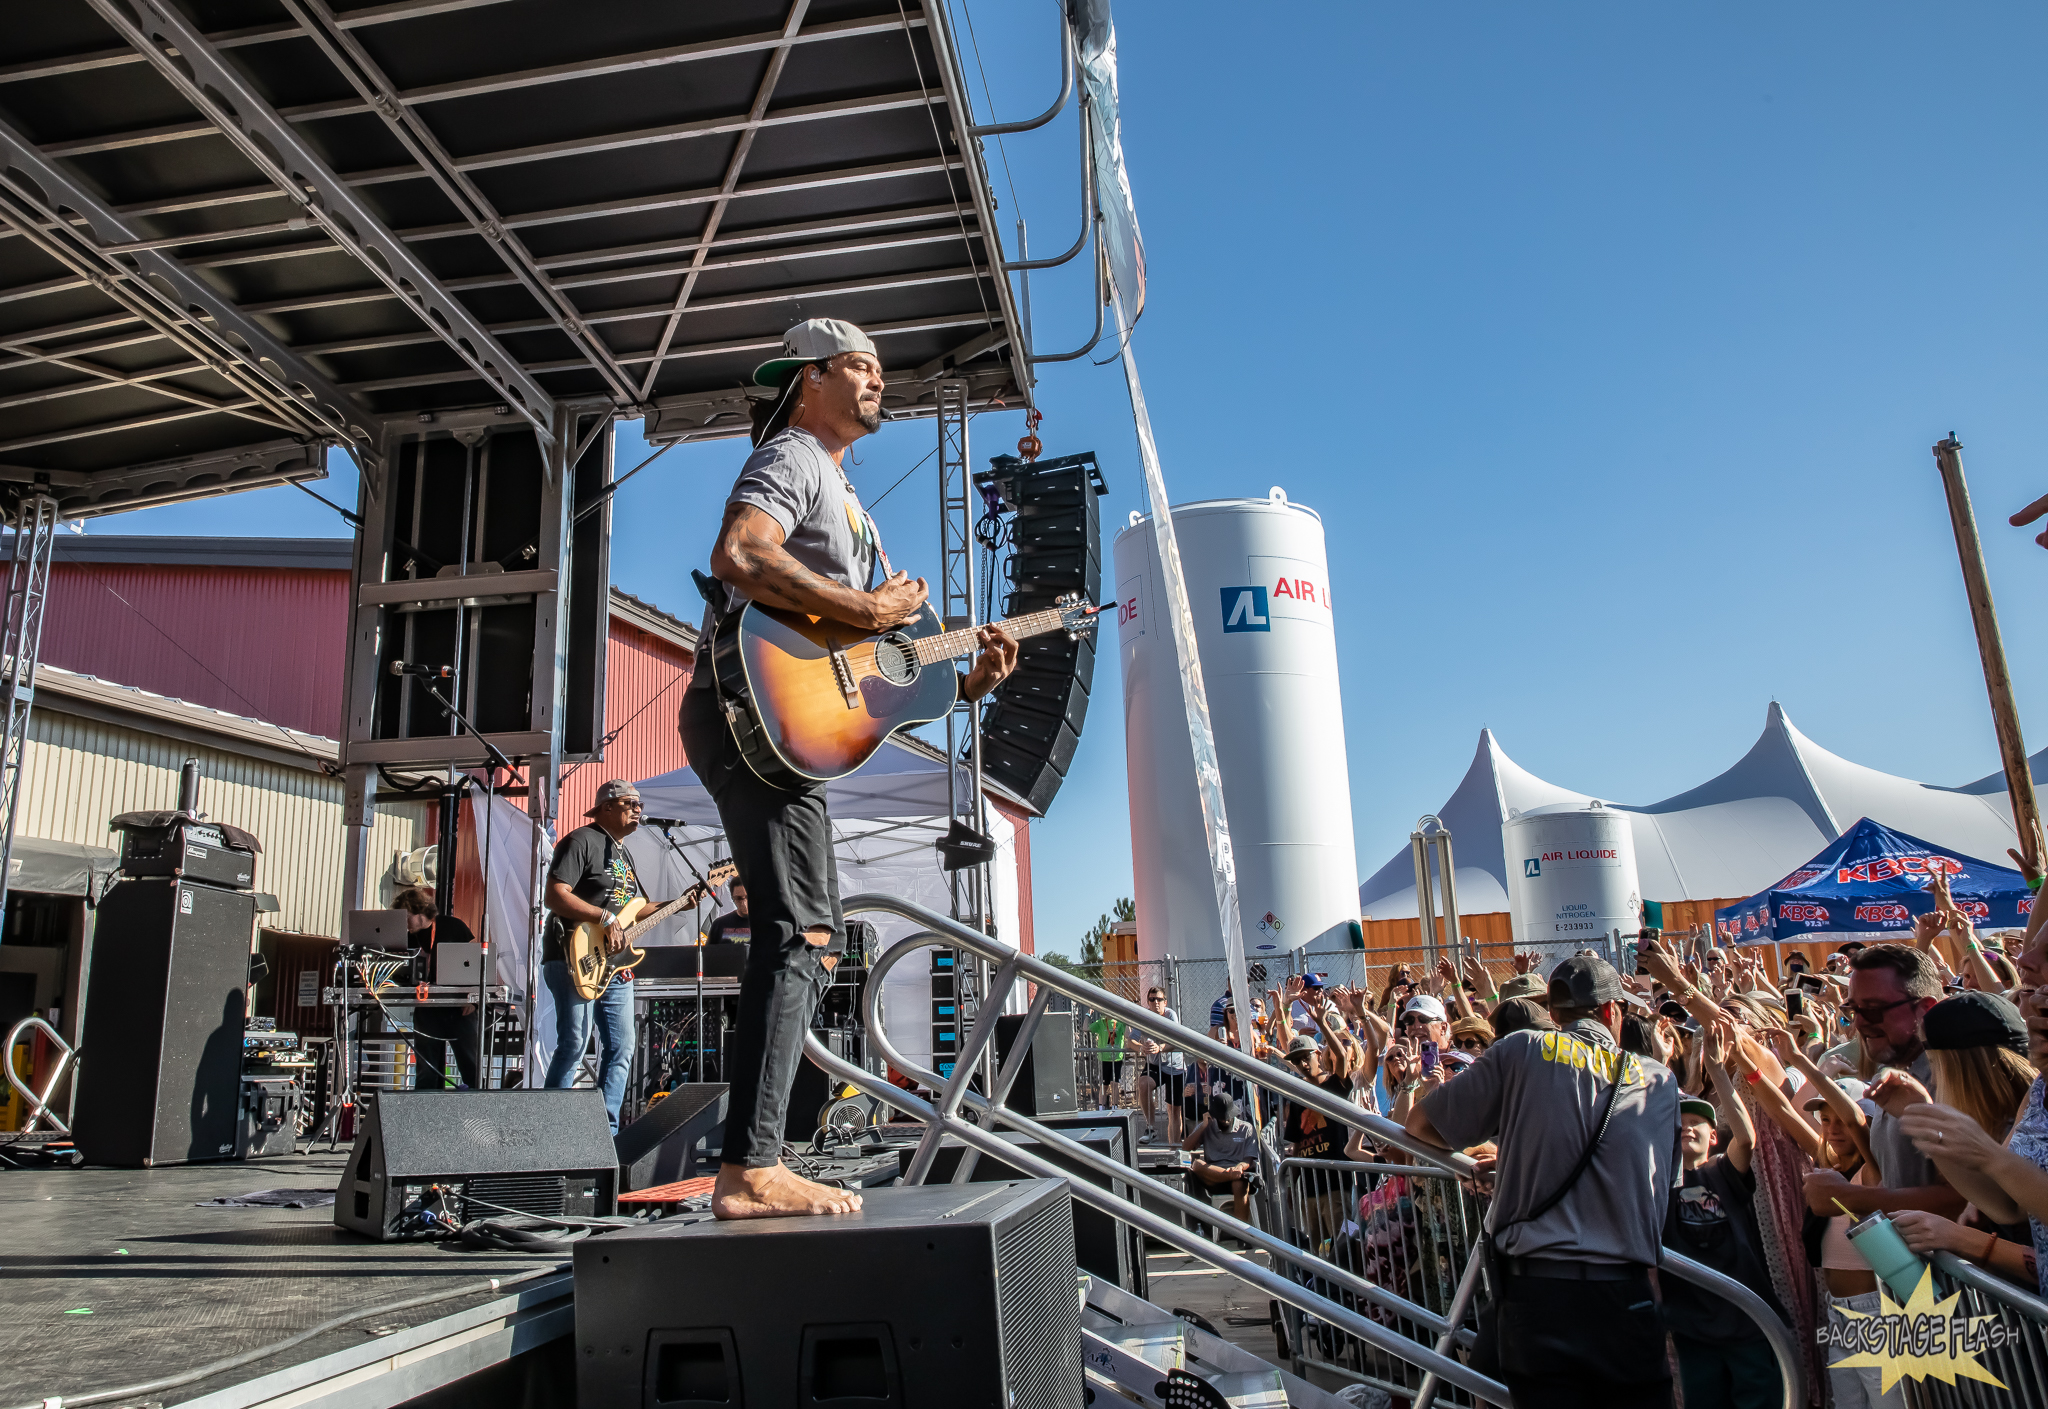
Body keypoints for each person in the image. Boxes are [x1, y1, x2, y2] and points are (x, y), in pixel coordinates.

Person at [676, 319, 1017, 1219]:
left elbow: (883, 673)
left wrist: (967, 680)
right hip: (750, 707)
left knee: (811, 937)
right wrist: (870, 604)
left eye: (877, 369)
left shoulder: (848, 499)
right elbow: (742, 553)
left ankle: (757, 1157)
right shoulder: (792, 454)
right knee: (796, 934)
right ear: (811, 377)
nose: (878, 381)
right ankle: (751, 1167)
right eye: (860, 367)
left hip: (788, 730)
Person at [1406, 955, 1682, 1409]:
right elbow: (1661, 1189)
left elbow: (1422, 1125)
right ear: (1612, 1012)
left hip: (1540, 1296)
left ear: (1553, 1014)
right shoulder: (1660, 1080)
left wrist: (1519, 1162)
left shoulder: (1522, 1050)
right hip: (1626, 1298)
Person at [1661, 1035, 1788, 1409]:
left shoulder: (1723, 1172)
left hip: (1746, 1320)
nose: (1687, 1127)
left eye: (1697, 1121)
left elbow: (1746, 1139)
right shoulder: (1655, 1182)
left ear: (1713, 1136)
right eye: (1678, 1121)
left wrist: (1716, 1068)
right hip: (1693, 1328)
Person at [541, 779, 665, 1133]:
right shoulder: (582, 840)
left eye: (640, 804)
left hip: (613, 964)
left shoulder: (623, 853)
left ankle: (604, 1134)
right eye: (630, 803)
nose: (638, 809)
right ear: (606, 807)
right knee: (574, 1044)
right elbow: (555, 895)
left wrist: (682, 901)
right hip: (572, 955)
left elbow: (636, 909)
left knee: (622, 1048)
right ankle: (551, 1133)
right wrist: (603, 917)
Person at [390, 886, 478, 1091]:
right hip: (427, 1010)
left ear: (419, 911)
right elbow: (400, 974)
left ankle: (479, 1114)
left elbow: (475, 964)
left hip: (459, 1009)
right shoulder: (408, 939)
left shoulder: (453, 927)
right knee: (427, 1070)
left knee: (470, 1065)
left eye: (407, 917)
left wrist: (473, 1000)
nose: (404, 923)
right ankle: (426, 1115)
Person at [1183, 1091, 1261, 1224]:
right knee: (1196, 1165)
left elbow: (1249, 1159)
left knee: (1239, 1183)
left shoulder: (1246, 1128)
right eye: (1221, 1118)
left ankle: (1241, 1233)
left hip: (1239, 1172)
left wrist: (1239, 1167)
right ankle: (1229, 1175)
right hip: (1213, 1175)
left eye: (1227, 1118)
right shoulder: (1208, 1126)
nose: (1224, 1121)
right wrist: (1203, 1126)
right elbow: (1186, 1147)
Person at [1133, 986, 1187, 1145]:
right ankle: (1151, 1128)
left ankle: (1174, 1148)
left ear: (1165, 1002)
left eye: (1159, 999)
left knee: (1174, 1111)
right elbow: (1131, 1040)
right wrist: (1140, 1048)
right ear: (1147, 1002)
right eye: (1151, 999)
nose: (1155, 1002)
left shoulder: (1171, 1015)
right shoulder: (1143, 1016)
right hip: (1155, 1065)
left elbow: (1176, 1040)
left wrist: (1160, 1048)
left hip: (1174, 1066)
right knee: (1143, 1083)